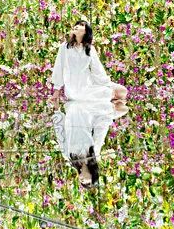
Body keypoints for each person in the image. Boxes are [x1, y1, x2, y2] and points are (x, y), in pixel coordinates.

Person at [49, 20, 128, 187]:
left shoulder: (69, 157)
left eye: (80, 26)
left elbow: (98, 72)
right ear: (92, 176)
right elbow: (58, 68)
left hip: (87, 88)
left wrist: (106, 85)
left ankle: (110, 97)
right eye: (87, 181)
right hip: (74, 92)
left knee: (122, 93)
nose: (82, 180)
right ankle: (111, 98)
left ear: (86, 33)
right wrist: (56, 91)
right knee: (122, 97)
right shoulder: (64, 48)